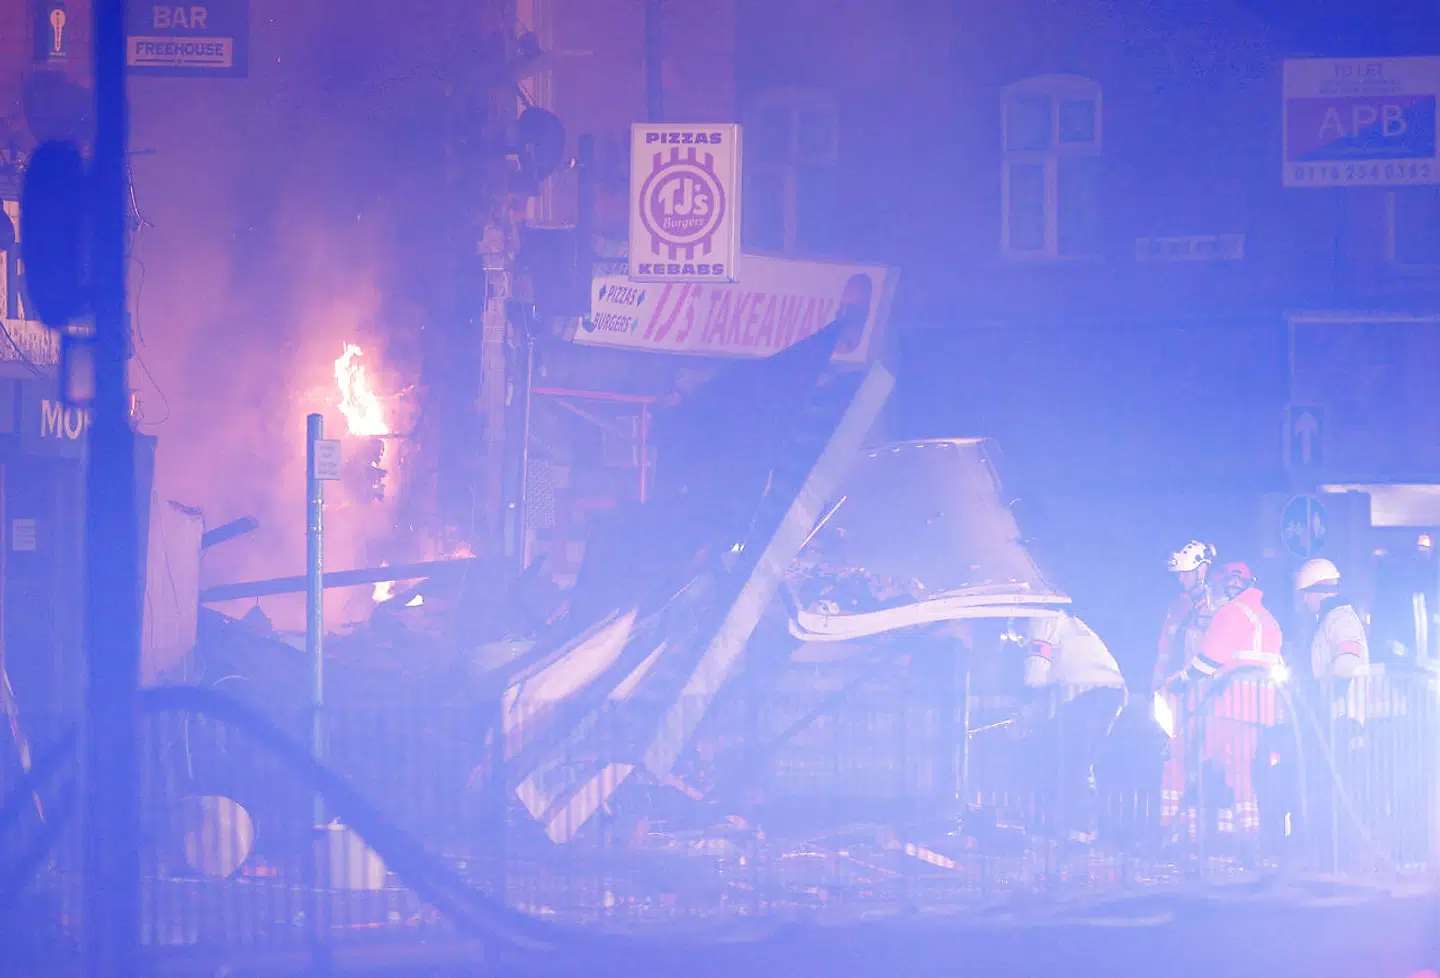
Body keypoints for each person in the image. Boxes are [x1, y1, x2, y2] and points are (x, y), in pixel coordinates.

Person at [1165, 560, 1285, 839]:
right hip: (1258, 709)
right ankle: (1243, 836)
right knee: (1240, 773)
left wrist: (1178, 684)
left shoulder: (1233, 613)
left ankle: (1191, 836)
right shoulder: (1266, 616)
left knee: (1201, 764)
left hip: (1229, 704)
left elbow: (1207, 660)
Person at [1022, 611, 1127, 842]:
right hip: (1105, 691)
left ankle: (1076, 828)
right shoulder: (1066, 622)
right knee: (1077, 758)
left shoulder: (1041, 619)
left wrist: (1027, 701)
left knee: (1072, 758)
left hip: (1089, 691)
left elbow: (1036, 671)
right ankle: (1080, 825)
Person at [1154, 540, 1222, 692]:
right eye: (1179, 574)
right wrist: (1156, 687)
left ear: (1202, 570)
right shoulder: (1177, 608)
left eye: (1185, 573)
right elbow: (1164, 652)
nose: (1181, 579)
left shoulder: (1218, 608)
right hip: (1178, 689)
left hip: (1210, 692)